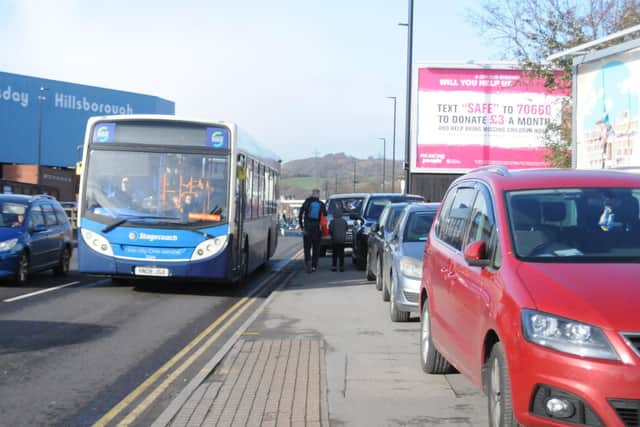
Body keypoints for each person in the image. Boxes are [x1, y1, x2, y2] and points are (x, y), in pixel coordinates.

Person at [298, 188, 327, 273]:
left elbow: (300, 215)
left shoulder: (306, 203)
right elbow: (325, 215)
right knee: (316, 248)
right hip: (317, 228)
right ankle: (314, 265)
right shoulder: (321, 204)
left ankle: (308, 263)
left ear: (312, 194)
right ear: (318, 195)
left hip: (307, 228)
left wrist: (302, 226)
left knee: (307, 247)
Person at [329, 203, 347, 272]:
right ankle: (341, 266)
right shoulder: (344, 221)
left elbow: (330, 230)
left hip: (335, 240)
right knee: (341, 253)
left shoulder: (332, 222)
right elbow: (346, 228)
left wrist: (332, 235)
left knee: (335, 253)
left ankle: (334, 266)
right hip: (342, 240)